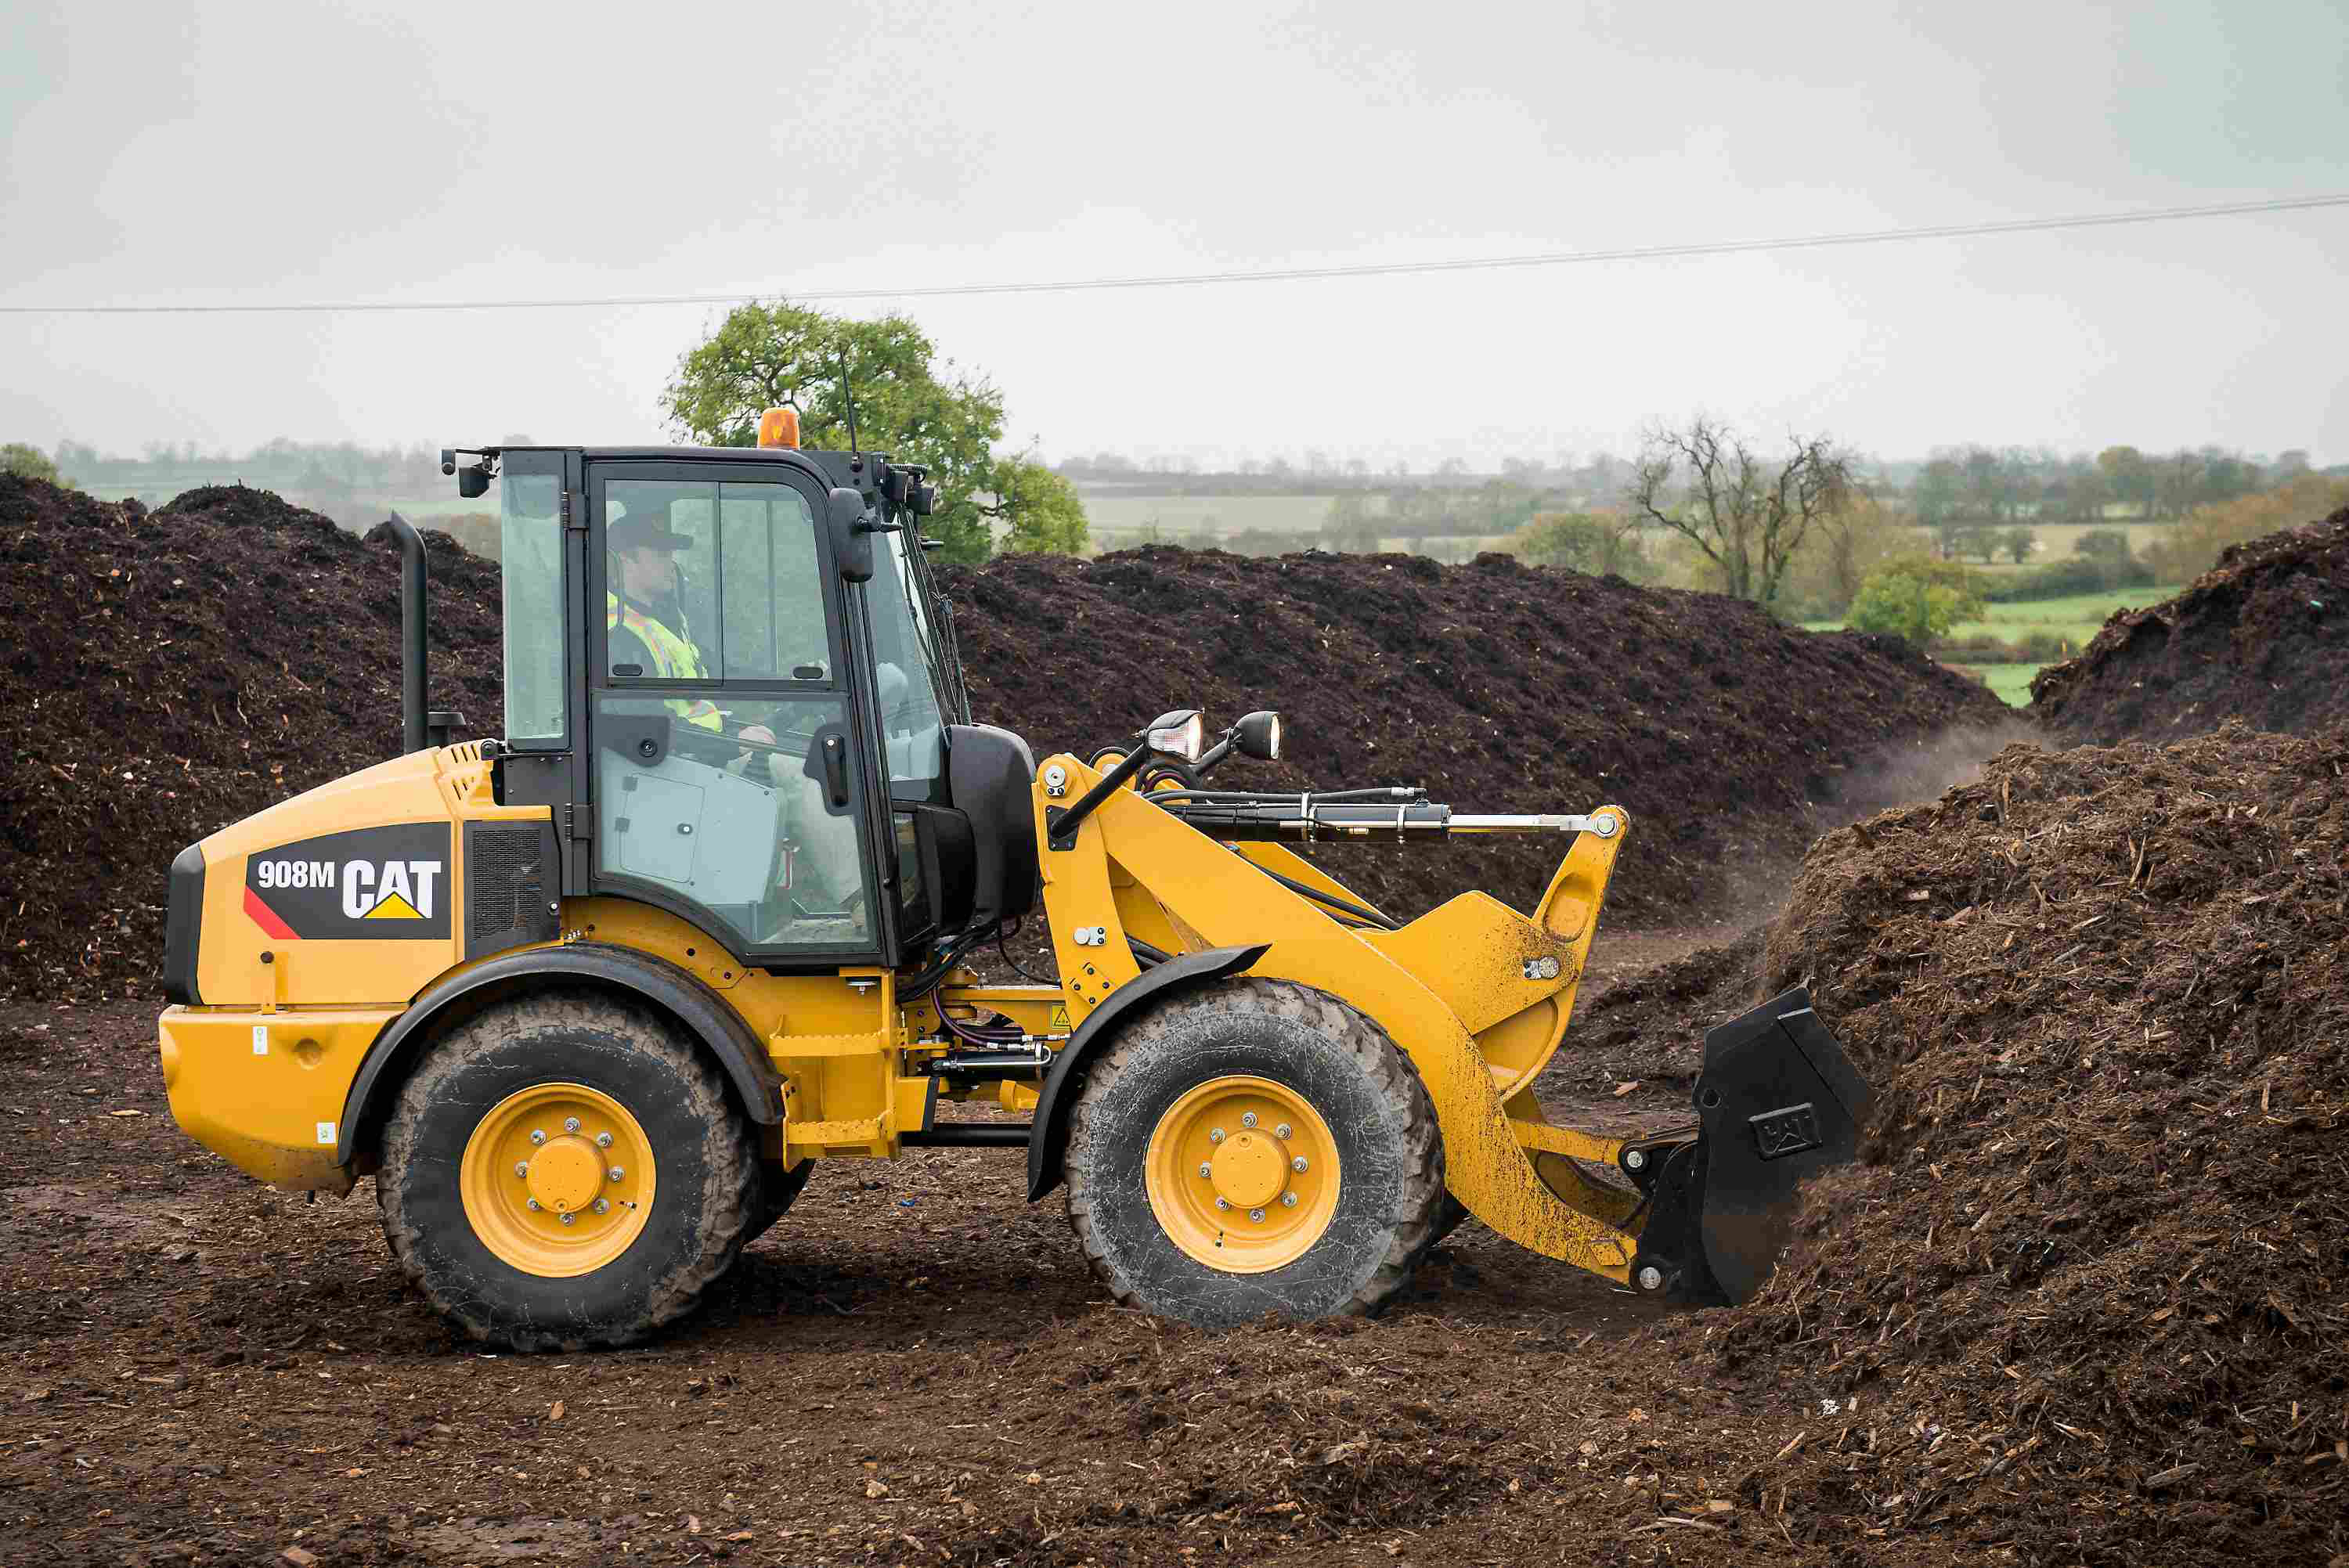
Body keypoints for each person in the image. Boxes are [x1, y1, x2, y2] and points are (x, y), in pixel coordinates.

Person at [604, 505, 864, 932]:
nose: (671, 563)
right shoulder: (620, 634)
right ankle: (860, 903)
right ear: (627, 558)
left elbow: (693, 704)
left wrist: (748, 722)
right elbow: (643, 728)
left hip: (695, 755)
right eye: (660, 553)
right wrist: (735, 742)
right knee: (801, 775)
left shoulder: (662, 622)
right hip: (668, 770)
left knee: (806, 752)